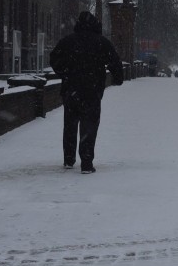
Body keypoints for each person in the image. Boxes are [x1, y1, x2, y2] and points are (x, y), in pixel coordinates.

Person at [50, 11, 124, 174]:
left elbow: (54, 59)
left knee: (70, 125)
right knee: (89, 126)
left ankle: (69, 159)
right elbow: (115, 63)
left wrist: (65, 73)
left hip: (71, 90)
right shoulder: (101, 43)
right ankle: (86, 162)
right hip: (92, 91)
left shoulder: (68, 42)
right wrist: (118, 78)